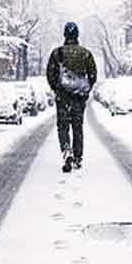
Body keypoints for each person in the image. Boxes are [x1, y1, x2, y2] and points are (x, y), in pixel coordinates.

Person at [46, 21, 98, 173]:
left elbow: (50, 74)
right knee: (77, 127)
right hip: (78, 98)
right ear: (77, 35)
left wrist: (57, 89)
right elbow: (93, 74)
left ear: (64, 35)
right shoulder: (85, 53)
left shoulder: (57, 53)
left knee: (63, 126)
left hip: (63, 97)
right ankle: (77, 157)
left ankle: (66, 150)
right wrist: (85, 90)